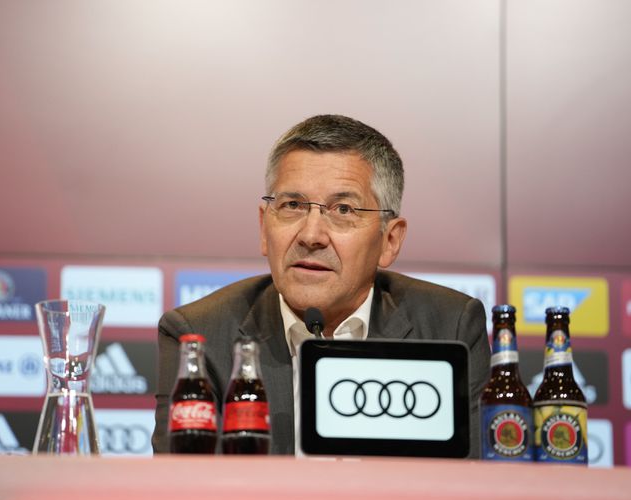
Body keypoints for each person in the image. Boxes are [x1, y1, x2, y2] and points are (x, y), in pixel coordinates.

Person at [152, 114, 490, 457]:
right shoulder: (200, 335)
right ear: (264, 227)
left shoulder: (451, 327)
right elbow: (182, 482)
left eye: (343, 209)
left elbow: (476, 480)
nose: (311, 235)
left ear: (389, 240)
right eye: (292, 206)